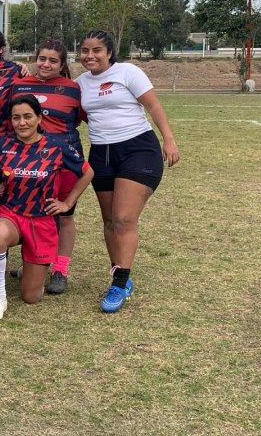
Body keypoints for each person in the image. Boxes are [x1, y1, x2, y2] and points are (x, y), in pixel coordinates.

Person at [75, 30, 180, 313]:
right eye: (85, 50)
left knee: (123, 218)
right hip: (101, 153)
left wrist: (168, 139)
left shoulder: (128, 72)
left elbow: (154, 106)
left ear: (109, 52)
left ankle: (119, 285)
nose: (90, 56)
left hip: (138, 150)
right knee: (109, 221)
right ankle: (120, 273)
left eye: (97, 50)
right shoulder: (80, 83)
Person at [0, 94, 94, 320]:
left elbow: (87, 172)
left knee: (31, 297)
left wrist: (68, 203)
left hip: (41, 220)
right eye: (16, 118)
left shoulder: (56, 145)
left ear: (39, 118)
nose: (22, 123)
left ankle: (31, 267)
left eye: (27, 116)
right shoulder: (1, 143)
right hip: (11, 214)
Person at [9, 40, 83, 294]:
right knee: (30, 212)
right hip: (27, 160)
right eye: (42, 58)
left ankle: (60, 269)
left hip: (63, 163)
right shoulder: (19, 84)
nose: (46, 64)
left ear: (62, 65)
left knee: (64, 214)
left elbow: (79, 120)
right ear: (35, 58)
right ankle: (34, 261)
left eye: (53, 60)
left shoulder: (73, 89)